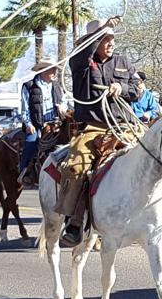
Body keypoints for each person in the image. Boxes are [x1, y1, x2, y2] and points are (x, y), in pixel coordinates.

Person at [56, 17, 139, 247]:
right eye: (105, 38)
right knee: (75, 166)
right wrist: (100, 29)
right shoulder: (81, 61)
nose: (110, 42)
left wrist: (121, 88)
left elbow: (136, 89)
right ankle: (73, 222)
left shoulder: (123, 61)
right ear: (93, 41)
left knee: (157, 154)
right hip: (92, 127)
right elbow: (84, 51)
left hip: (123, 127)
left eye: (112, 38)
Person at [18, 58, 62, 185]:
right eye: (51, 69)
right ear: (43, 70)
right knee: (31, 142)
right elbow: (25, 108)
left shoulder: (57, 86)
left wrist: (62, 108)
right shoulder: (30, 86)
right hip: (37, 124)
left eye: (54, 69)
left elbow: (63, 102)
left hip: (55, 123)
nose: (54, 71)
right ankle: (24, 171)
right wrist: (29, 124)